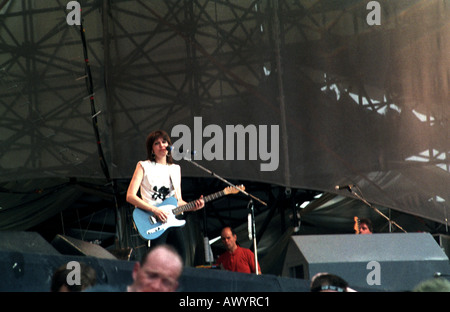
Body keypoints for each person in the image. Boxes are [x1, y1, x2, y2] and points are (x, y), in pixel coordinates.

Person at [126, 130, 204, 261]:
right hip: (152, 219)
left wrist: (193, 207)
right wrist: (155, 210)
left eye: (164, 142)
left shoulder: (175, 169)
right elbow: (130, 196)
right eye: (157, 143)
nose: (162, 145)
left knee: (180, 258)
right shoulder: (144, 166)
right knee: (157, 260)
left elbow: (177, 201)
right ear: (152, 149)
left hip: (171, 220)